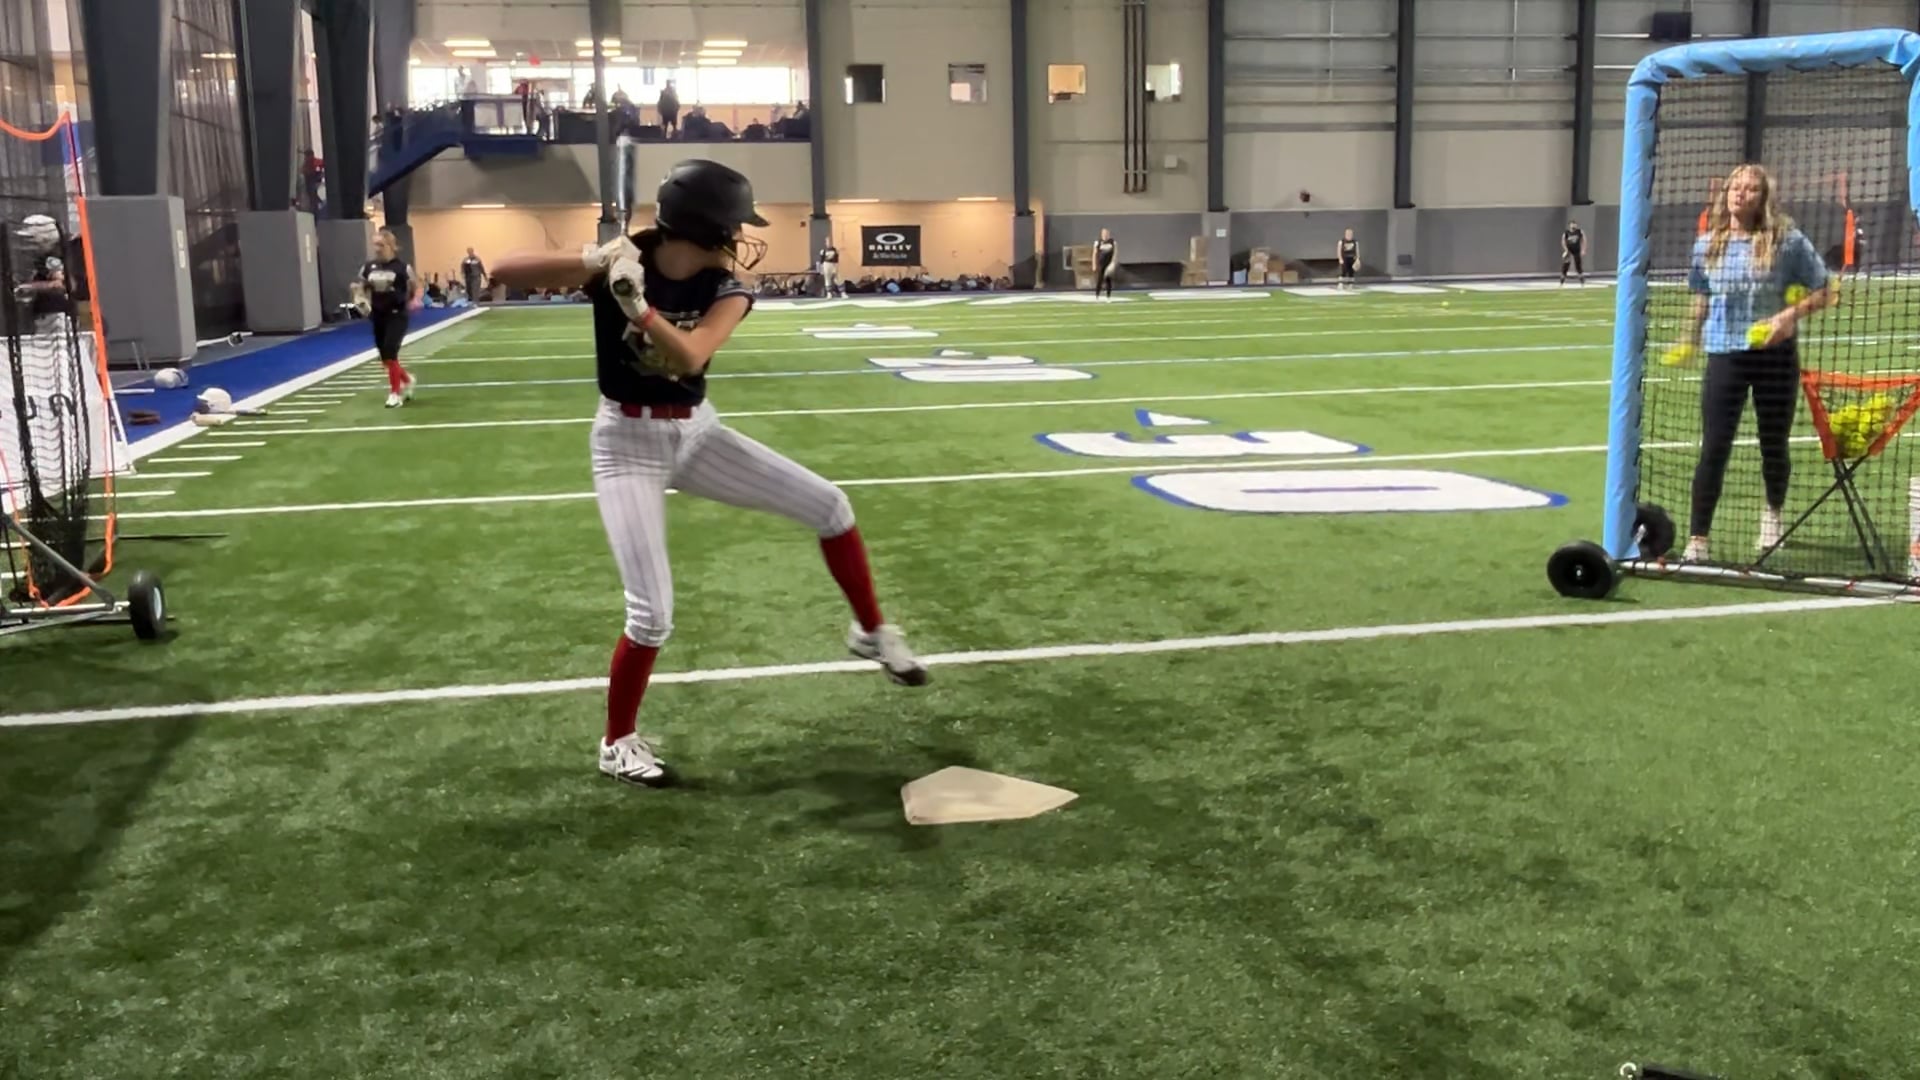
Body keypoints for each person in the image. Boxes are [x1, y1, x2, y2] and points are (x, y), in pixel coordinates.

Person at [490, 159, 929, 787]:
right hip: (626, 443)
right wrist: (594, 259)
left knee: (831, 506)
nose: (739, 238)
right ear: (705, 228)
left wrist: (640, 310)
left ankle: (871, 629)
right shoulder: (624, 260)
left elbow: (692, 354)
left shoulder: (726, 288)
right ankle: (617, 742)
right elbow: (503, 270)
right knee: (651, 615)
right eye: (733, 226)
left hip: (696, 433)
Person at [1678, 163, 1833, 563]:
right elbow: (1701, 295)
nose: (1739, 193)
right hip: (1725, 354)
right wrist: (1689, 338)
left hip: (1775, 358)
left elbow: (1825, 289)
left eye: (1749, 189)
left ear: (1763, 198)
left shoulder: (1788, 242)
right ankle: (1698, 538)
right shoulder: (1707, 244)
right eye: (1735, 187)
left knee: (1773, 445)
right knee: (1714, 447)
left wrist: (1786, 318)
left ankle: (1772, 515)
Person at [357, 228, 421, 408]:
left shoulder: (402, 267)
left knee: (391, 351)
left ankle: (395, 394)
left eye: (381, 245)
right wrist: (359, 298)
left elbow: (416, 286)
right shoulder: (368, 267)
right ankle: (407, 379)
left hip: (397, 314)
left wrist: (414, 300)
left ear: (391, 246)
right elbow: (360, 286)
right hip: (378, 314)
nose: (377, 249)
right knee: (385, 358)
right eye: (375, 245)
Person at [1560, 220, 1586, 286]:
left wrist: (1583, 250)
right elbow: (1563, 241)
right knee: (1566, 264)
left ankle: (1582, 280)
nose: (1573, 225)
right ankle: (1562, 280)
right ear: (1570, 225)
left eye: (1575, 224)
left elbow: (1584, 240)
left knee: (1578, 265)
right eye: (1572, 224)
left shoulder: (1579, 232)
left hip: (1577, 250)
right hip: (1569, 250)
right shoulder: (1566, 233)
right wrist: (1566, 250)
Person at [1093, 228, 1117, 299]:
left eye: (1106, 233)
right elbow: (1094, 253)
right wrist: (1094, 264)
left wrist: (1113, 263)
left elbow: (1115, 253)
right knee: (1099, 280)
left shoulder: (1112, 242)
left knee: (1108, 280)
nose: (1105, 235)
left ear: (1108, 234)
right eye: (1104, 234)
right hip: (1101, 264)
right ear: (1101, 234)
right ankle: (1097, 295)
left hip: (1109, 264)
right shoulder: (1098, 242)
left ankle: (1108, 296)